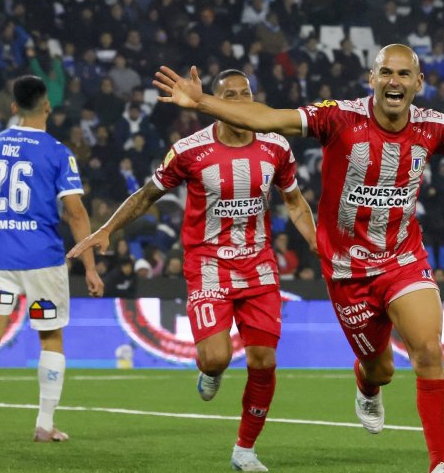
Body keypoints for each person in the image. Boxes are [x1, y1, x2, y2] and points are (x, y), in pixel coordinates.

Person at [152, 44, 444, 473]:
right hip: (347, 269)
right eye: (386, 73)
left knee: (429, 350)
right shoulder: (337, 118)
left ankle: (439, 465)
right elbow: (272, 118)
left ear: (418, 83)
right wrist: (203, 103)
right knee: (381, 369)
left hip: (402, 259)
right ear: (372, 78)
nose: (395, 81)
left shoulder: (434, 125)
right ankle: (368, 384)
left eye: (404, 74)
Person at [68, 70, 317, 472]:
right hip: (208, 264)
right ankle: (211, 371)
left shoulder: (276, 145)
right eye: (229, 95)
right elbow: (147, 194)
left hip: (258, 265)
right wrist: (108, 229)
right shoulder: (189, 150)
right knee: (215, 358)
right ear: (213, 103)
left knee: (264, 360)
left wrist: (316, 241)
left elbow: (294, 201)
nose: (240, 101)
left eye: (246, 93)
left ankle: (245, 450)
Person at [0, 75, 104, 446]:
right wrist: (90, 267)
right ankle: (44, 424)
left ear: (14, 107)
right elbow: (75, 213)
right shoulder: (57, 152)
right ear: (47, 106)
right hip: (42, 262)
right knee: (50, 337)